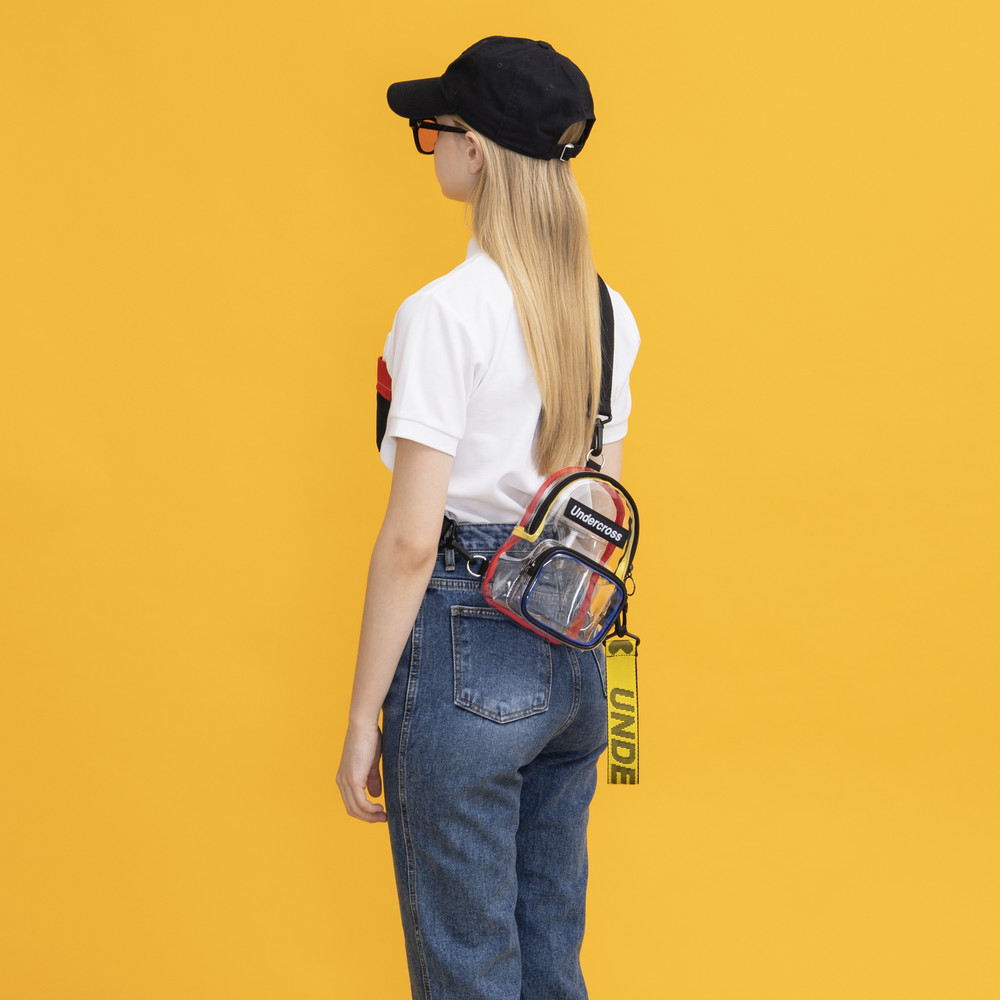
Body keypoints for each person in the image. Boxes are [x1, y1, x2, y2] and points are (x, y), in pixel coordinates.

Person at [336, 36, 641, 1000]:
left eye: (436, 128)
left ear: (477, 149)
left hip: (466, 656)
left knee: (468, 973)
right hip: (572, 655)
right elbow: (596, 506)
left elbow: (411, 540)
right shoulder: (609, 313)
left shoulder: (442, 313)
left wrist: (362, 714)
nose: (432, 146)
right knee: (549, 964)